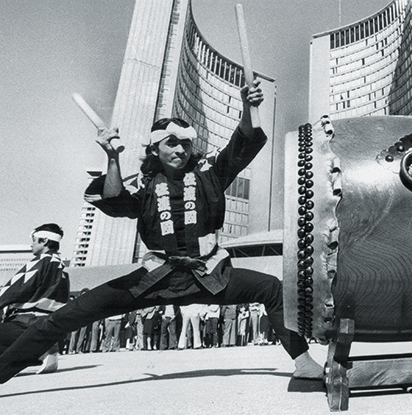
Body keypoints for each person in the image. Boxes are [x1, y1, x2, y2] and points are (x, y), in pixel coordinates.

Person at [0, 77, 322, 383]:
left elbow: (242, 143)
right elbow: (113, 200)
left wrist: (246, 108)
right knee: (63, 318)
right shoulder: (145, 185)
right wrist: (112, 158)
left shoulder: (210, 172)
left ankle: (304, 362)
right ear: (155, 149)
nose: (181, 150)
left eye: (185, 144)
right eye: (172, 143)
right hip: (155, 278)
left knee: (271, 288)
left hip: (210, 274)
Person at [0, 224, 70, 374]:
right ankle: (33, 352)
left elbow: (16, 287)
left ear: (44, 240)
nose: (31, 244)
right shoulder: (61, 267)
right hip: (49, 323)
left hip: (27, 322)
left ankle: (41, 348)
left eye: (34, 240)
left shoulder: (42, 260)